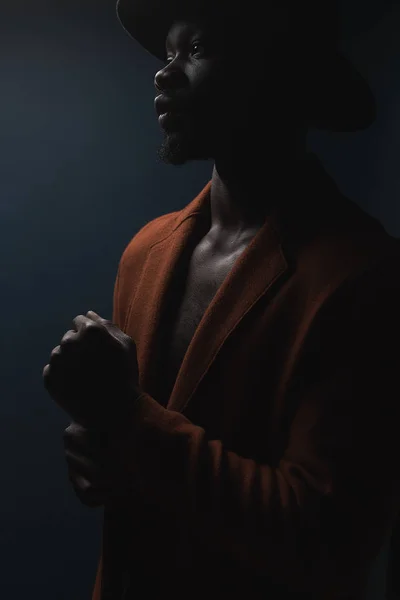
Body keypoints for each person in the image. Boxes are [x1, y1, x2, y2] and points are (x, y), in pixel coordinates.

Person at [43, 0, 400, 598]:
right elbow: (130, 461)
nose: (165, 71)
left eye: (198, 49)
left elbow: (325, 542)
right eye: (167, 52)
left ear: (280, 70)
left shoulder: (364, 277)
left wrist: (125, 418)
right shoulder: (145, 252)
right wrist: (95, 449)